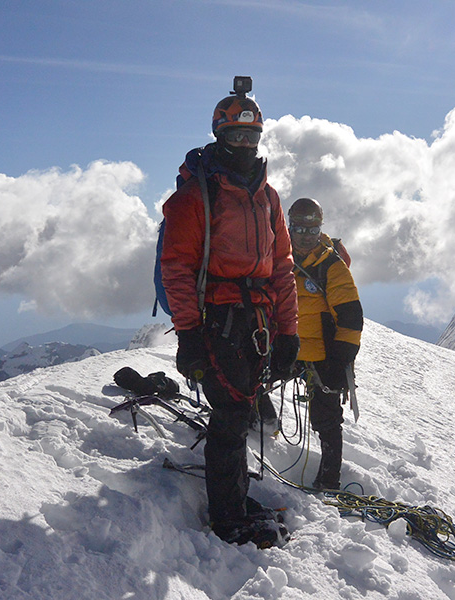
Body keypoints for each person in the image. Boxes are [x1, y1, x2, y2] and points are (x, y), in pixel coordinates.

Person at [160, 78, 299, 548]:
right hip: (217, 320)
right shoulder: (196, 196)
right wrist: (189, 335)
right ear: (219, 136)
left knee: (238, 412)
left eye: (252, 136)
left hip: (257, 321)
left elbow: (281, 267)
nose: (245, 144)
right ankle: (227, 516)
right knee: (232, 414)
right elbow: (177, 268)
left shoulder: (268, 196)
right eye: (236, 136)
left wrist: (288, 332)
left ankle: (234, 499)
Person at [288, 197, 363, 491]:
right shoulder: (278, 259)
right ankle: (262, 429)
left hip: (323, 355)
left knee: (327, 418)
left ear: (320, 229)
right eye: (300, 230)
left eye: (312, 230)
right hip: (288, 346)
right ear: (290, 227)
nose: (306, 237)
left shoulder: (331, 266)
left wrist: (340, 360)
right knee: (251, 389)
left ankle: (330, 479)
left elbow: (350, 316)